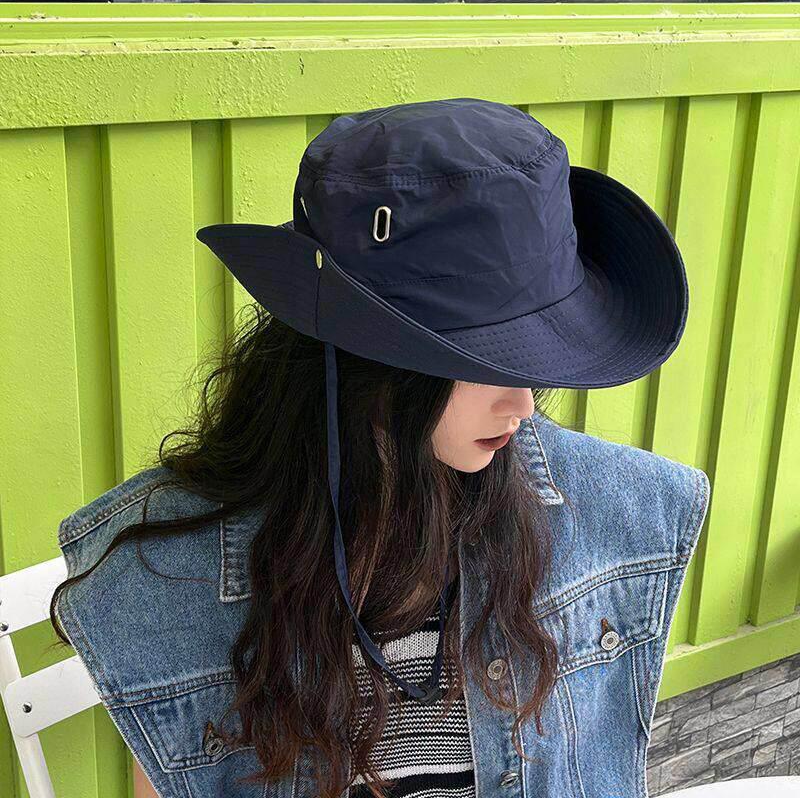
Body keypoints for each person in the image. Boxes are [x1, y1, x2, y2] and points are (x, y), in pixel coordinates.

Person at [48, 98, 710, 798]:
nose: (523, 405)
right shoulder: (168, 579)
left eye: (533, 358)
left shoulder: (613, 515)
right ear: (371, 359)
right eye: (482, 361)